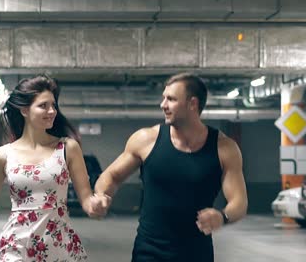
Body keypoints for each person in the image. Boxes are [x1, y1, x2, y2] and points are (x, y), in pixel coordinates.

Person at [94, 73, 248, 262]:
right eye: (163, 98)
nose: (163, 104)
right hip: (148, 252)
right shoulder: (145, 140)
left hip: (196, 254)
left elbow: (239, 202)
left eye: (171, 99)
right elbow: (111, 176)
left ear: (193, 104)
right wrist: (102, 195)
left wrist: (222, 216)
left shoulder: (224, 148)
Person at [0, 75, 110, 262]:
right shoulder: (3, 155)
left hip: (59, 244)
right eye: (43, 106)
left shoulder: (67, 148)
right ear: (24, 110)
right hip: (16, 245)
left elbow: (86, 199)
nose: (52, 111)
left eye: (53, 105)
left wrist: (96, 205)